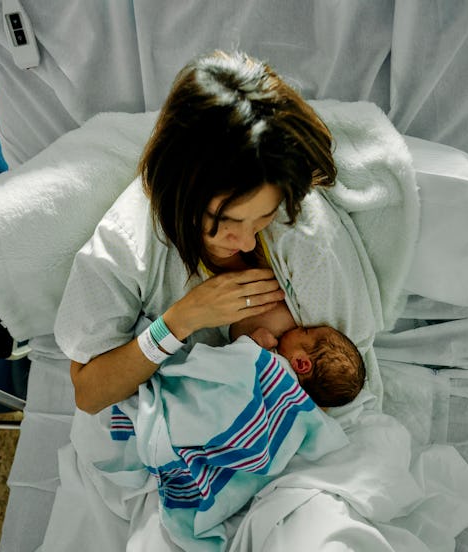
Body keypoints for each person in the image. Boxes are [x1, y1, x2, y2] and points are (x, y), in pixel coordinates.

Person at [54, 49, 337, 415]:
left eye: (262, 217)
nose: (248, 242)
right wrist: (180, 321)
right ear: (179, 194)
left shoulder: (293, 207)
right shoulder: (126, 248)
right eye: (227, 222)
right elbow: (89, 393)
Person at [230, 301, 365, 408]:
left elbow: (240, 363)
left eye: (305, 331)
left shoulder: (279, 371)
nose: (299, 327)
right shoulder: (295, 394)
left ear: (300, 363)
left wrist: (254, 343)